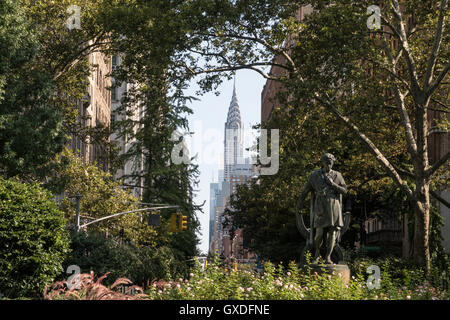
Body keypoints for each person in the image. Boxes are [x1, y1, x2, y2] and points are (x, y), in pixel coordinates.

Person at [297, 153, 347, 264]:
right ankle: (317, 254)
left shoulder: (337, 175)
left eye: (331, 162)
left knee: (332, 233)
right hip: (320, 206)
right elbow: (305, 191)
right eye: (327, 162)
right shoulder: (314, 175)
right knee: (319, 233)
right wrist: (300, 203)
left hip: (334, 206)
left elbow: (344, 191)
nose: (329, 164)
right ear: (323, 162)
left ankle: (328, 257)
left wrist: (333, 184)